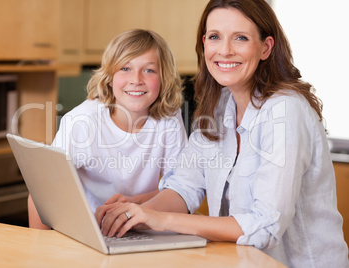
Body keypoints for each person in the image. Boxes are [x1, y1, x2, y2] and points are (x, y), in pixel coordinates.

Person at [95, 1, 349, 267]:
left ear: (265, 47)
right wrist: (135, 216)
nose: (225, 51)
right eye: (215, 37)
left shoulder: (284, 110)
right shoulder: (218, 107)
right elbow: (185, 186)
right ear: (205, 43)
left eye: (240, 38)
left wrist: (162, 220)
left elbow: (265, 225)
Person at [28, 29, 187, 230]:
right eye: (125, 68)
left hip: (144, 228)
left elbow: (180, 189)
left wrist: (135, 202)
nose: (136, 79)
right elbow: (42, 192)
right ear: (109, 77)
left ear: (164, 78)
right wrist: (41, 251)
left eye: (149, 70)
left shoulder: (169, 119)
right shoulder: (82, 121)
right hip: (90, 231)